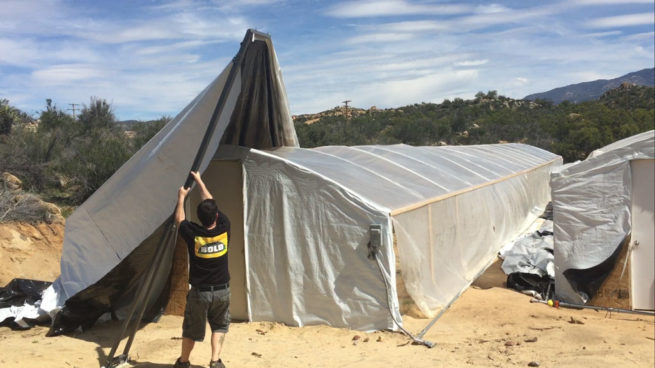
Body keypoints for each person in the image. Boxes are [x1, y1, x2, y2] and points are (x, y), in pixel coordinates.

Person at [173, 171, 231, 368]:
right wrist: (199, 180)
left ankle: (183, 362)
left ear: (199, 217)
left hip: (200, 293)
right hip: (222, 290)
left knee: (191, 330)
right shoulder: (224, 227)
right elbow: (210, 199)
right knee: (220, 326)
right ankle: (215, 361)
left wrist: (181, 197)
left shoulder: (193, 234)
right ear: (216, 215)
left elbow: (179, 220)